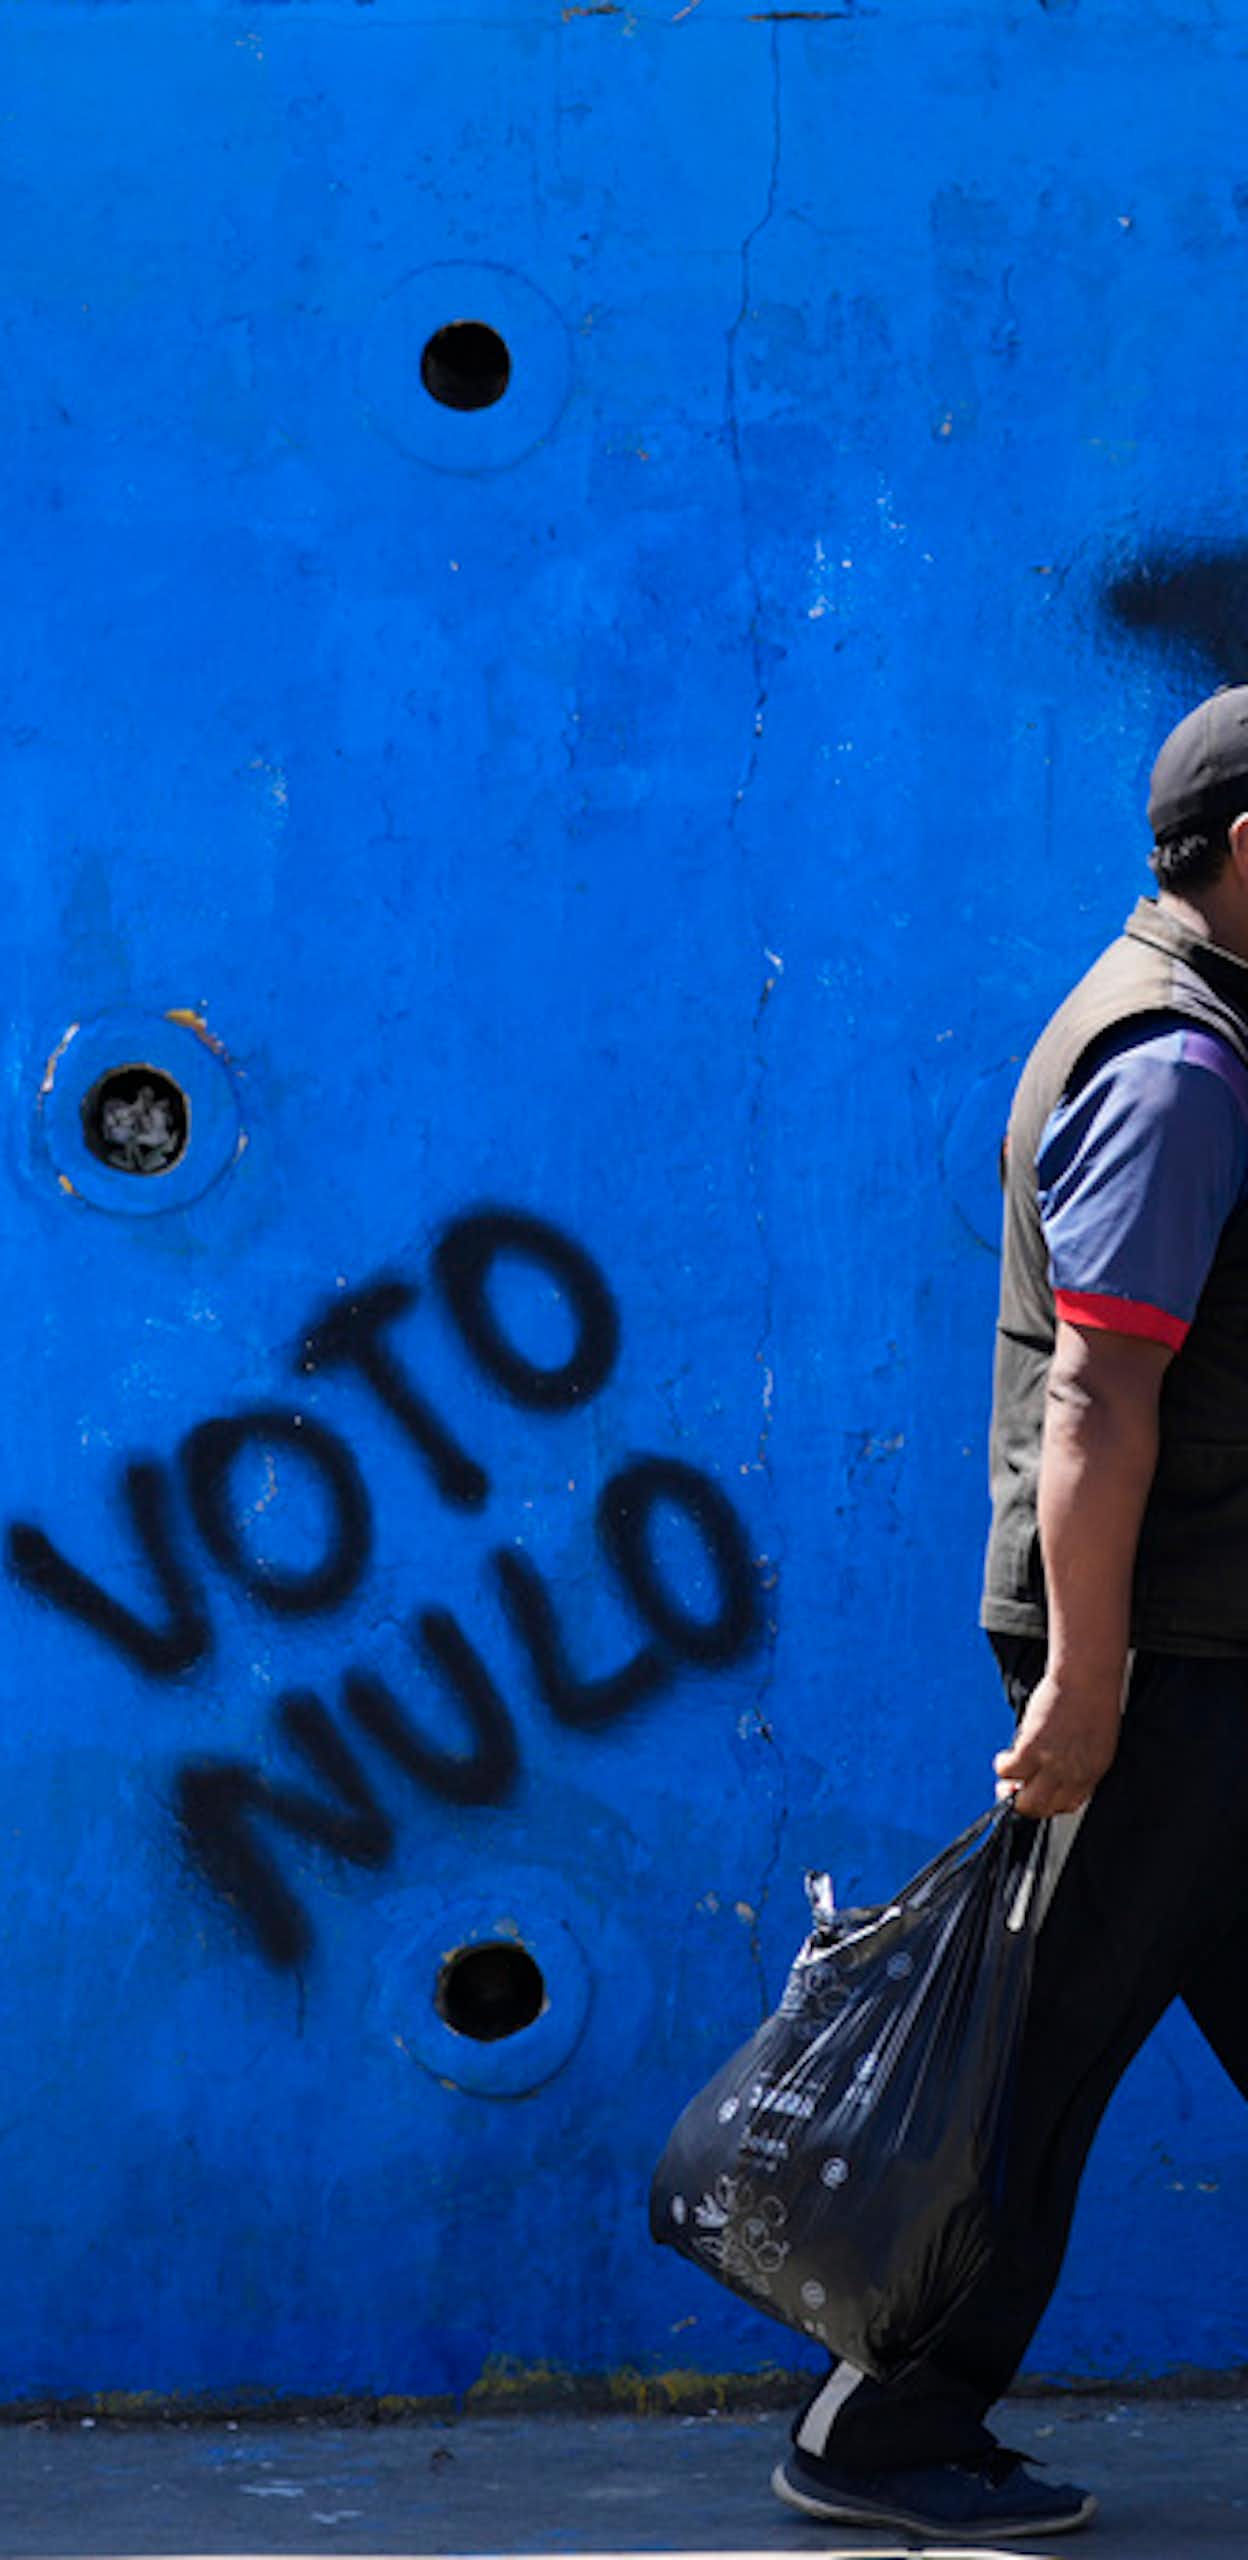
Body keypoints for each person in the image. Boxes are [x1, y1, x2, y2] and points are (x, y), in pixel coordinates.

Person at [771, 686, 1248, 2542]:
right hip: (1164, 1652)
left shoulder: (1200, 1032)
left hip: (1198, 1638)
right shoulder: (1177, 1067)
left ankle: (893, 2412)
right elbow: (1097, 1402)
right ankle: (888, 2422)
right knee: (1040, 2052)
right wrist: (1088, 1676)